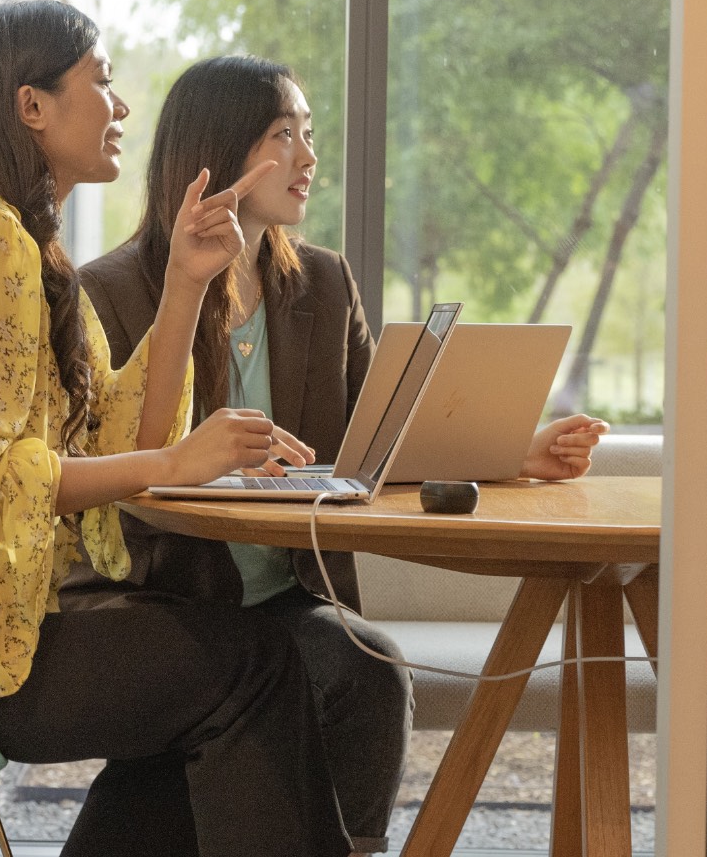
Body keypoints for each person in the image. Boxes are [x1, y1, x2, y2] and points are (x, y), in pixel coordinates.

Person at [0, 2, 351, 857]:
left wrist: (183, 284)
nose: (121, 106)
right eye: (101, 82)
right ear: (33, 106)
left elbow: (110, 440)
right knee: (252, 666)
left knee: (225, 675)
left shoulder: (31, 244)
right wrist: (178, 457)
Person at [67, 55, 608, 853]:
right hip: (166, 593)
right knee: (262, 698)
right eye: (285, 134)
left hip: (287, 591)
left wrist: (516, 450)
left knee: (367, 670)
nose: (308, 158)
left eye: (309, 135)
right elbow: (108, 473)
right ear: (219, 150)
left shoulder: (321, 282)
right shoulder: (111, 291)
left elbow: (374, 442)